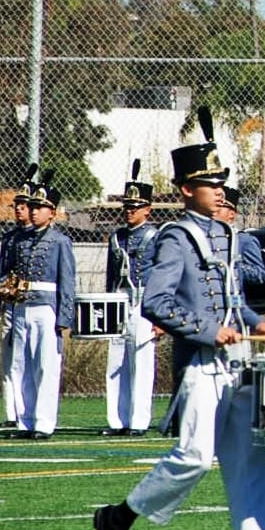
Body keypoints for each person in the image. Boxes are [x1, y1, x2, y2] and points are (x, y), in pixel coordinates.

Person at [92, 109, 265, 530]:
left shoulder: (225, 232)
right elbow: (156, 302)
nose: (219, 190)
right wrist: (210, 332)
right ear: (186, 188)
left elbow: (230, 300)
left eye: (221, 182)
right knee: (192, 455)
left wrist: (255, 322)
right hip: (201, 365)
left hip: (235, 362)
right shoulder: (175, 238)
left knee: (251, 454)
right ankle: (119, 517)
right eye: (210, 184)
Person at [7, 172, 76, 439]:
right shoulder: (21, 239)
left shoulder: (60, 241)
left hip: (47, 307)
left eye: (40, 208)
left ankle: (44, 423)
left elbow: (67, 282)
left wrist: (64, 317)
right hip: (23, 305)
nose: (34, 212)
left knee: (45, 365)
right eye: (33, 207)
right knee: (21, 364)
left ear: (53, 213)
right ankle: (24, 420)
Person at [102, 161, 159, 436]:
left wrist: (161, 316)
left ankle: (138, 421)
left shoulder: (155, 236)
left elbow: (162, 276)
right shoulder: (117, 237)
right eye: (127, 206)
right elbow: (111, 275)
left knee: (141, 362)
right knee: (116, 361)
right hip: (119, 300)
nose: (130, 211)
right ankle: (117, 419)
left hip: (143, 302)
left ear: (147, 209)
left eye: (135, 207)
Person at [0, 164, 36, 429]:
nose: (19, 209)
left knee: (27, 360)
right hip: (10, 304)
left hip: (31, 303)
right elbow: (1, 274)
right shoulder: (10, 238)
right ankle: (11, 412)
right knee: (8, 360)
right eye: (17, 204)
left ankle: (26, 412)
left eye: (24, 204)